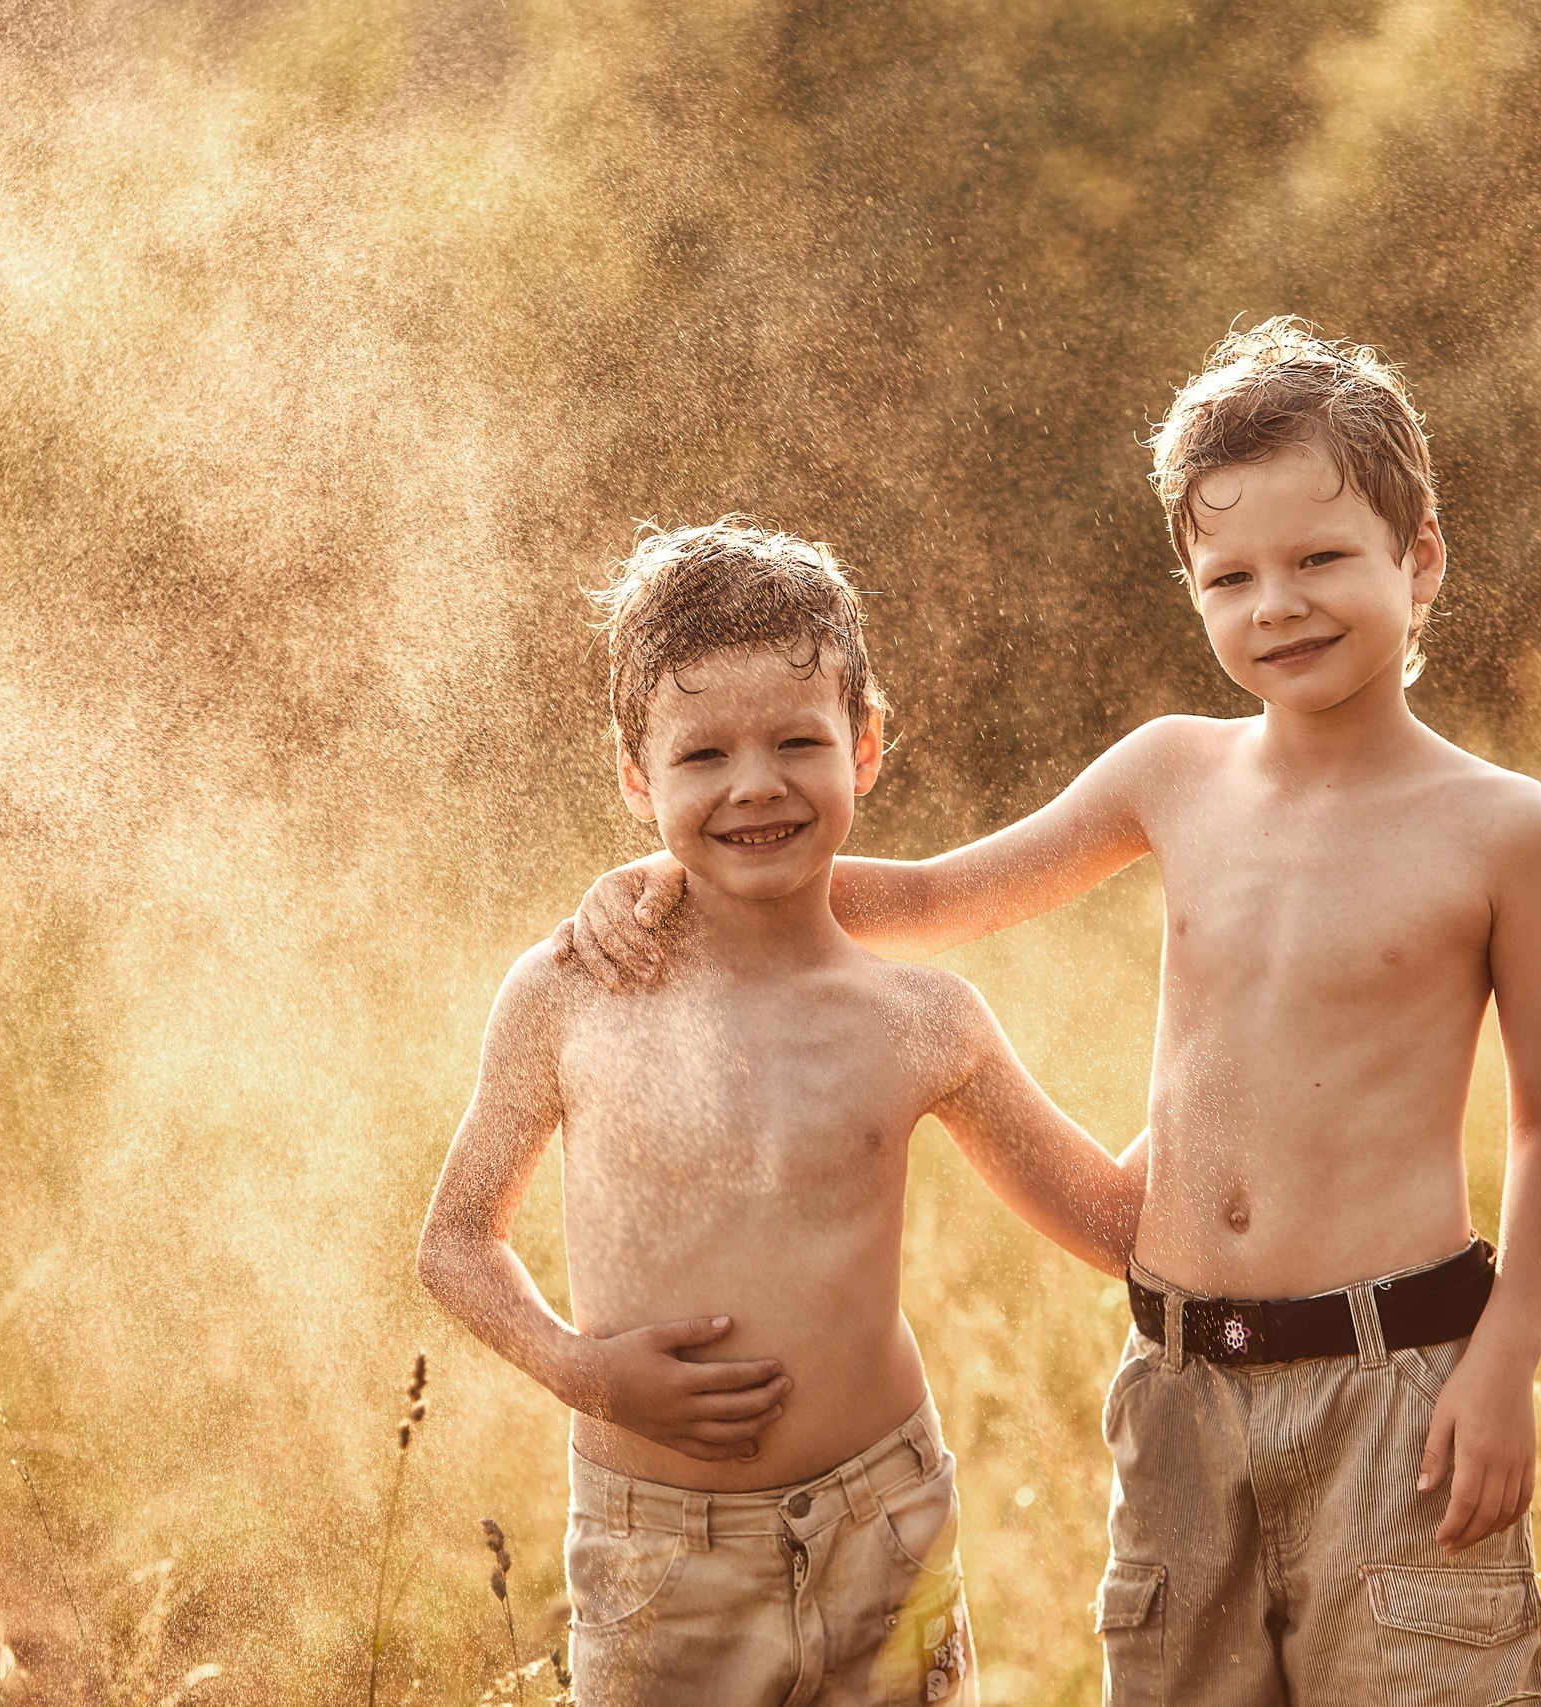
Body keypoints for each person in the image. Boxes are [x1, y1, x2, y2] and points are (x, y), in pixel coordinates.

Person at [559, 320, 1541, 1705]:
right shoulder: (1174, 771)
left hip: (1395, 1377)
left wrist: (1503, 1360)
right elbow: (934, 891)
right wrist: (682, 877)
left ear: (1421, 559)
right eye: (1230, 576)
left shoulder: (1502, 829)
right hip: (1181, 1387)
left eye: (1321, 560)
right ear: (1192, 589)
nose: (1275, 604)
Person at [419, 518, 1145, 1707]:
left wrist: (1266, 1038)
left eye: (797, 741)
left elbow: (1115, 1228)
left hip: (887, 1525)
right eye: (702, 755)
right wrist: (583, 1372)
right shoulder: (569, 993)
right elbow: (454, 1240)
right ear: (632, 774)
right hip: (661, 1556)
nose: (755, 783)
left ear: (864, 748)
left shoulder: (925, 1021)